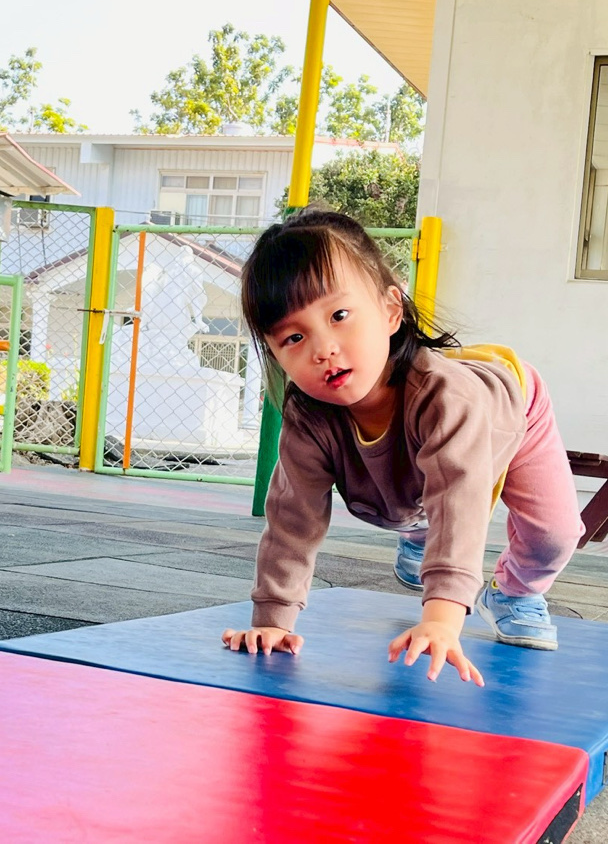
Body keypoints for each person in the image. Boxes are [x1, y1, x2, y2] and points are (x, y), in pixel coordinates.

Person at [221, 209, 583, 686]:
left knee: (554, 535)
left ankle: (514, 592)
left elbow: (459, 500)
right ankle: (417, 534)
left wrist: (441, 620)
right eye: (294, 337)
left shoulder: (446, 399)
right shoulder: (308, 416)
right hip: (426, 461)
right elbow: (293, 518)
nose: (323, 349)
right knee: (393, 506)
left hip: (514, 411)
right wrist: (273, 621)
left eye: (339, 316)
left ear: (391, 311)